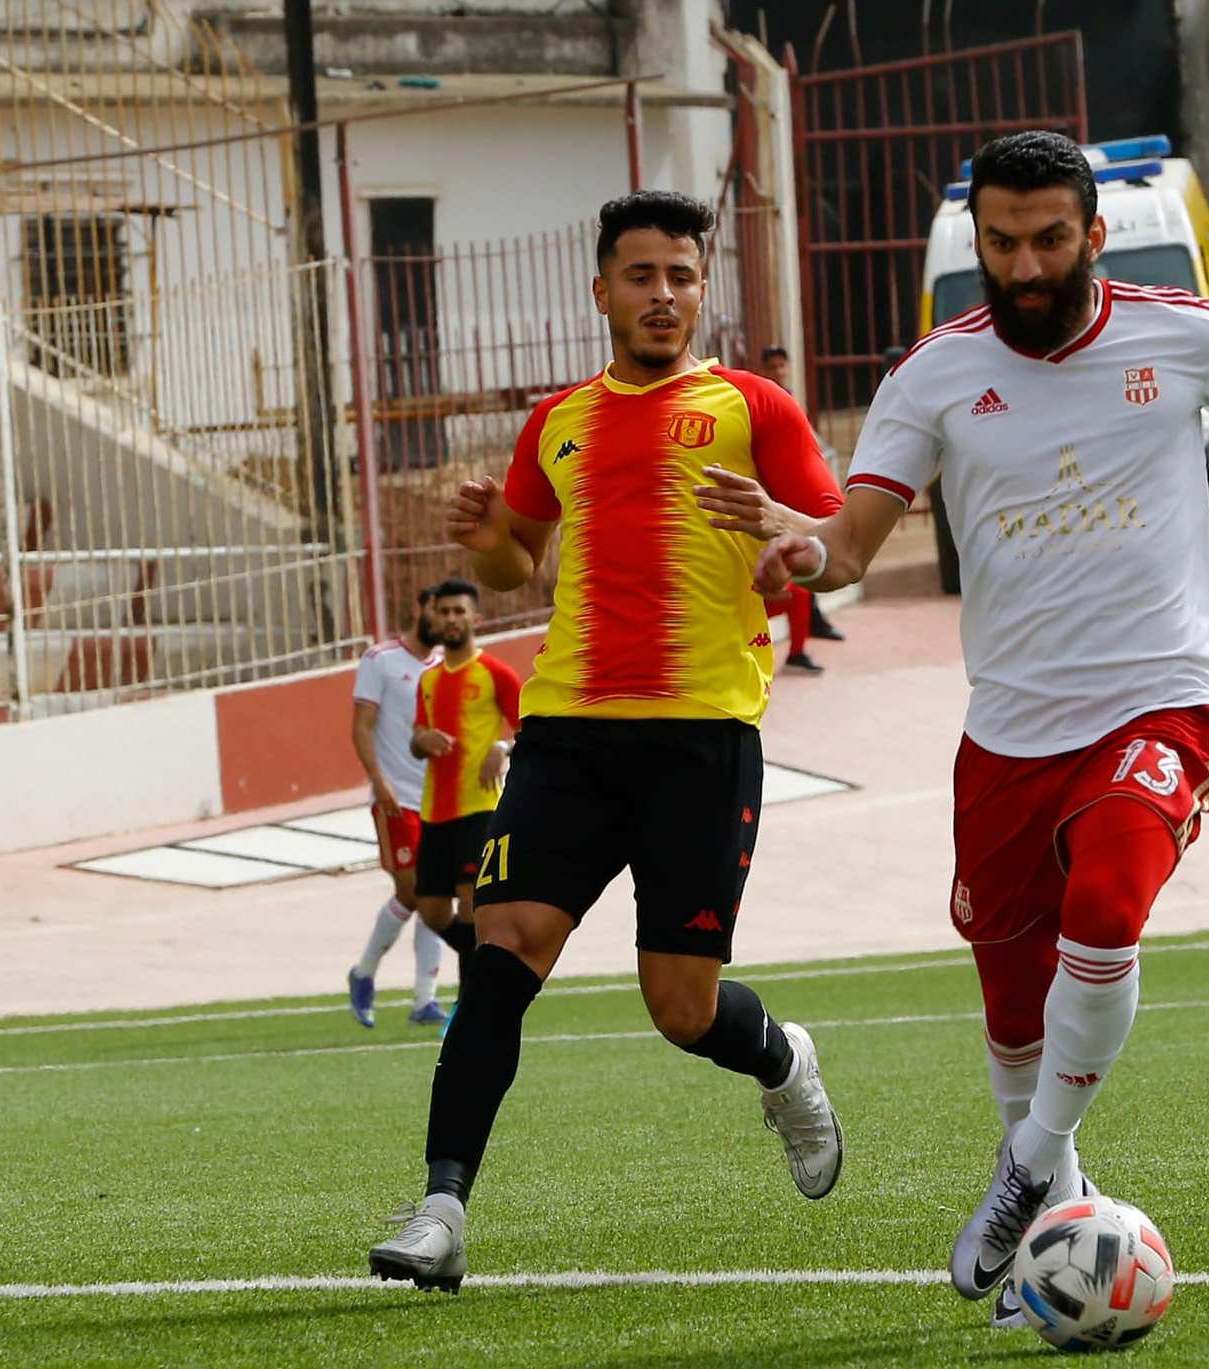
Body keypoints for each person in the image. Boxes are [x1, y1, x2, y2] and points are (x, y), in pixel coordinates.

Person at [744, 131, 1209, 1327]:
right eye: (1002, 242)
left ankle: (1027, 1163)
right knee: (1010, 1000)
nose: (1026, 263)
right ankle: (1055, 1198)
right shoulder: (934, 373)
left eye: (1050, 238)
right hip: (1007, 726)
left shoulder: (1184, 332)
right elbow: (854, 537)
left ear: (1093, 234)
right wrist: (804, 552)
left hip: (1161, 695)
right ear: (978, 243)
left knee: (1105, 909)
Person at [366, 190, 847, 1292]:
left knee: (681, 1007)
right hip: (568, 729)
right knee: (505, 947)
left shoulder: (753, 409)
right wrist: (490, 540)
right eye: (642, 276)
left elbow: (842, 540)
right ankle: (441, 1205)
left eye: (681, 275)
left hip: (700, 737)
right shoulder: (558, 421)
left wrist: (792, 539)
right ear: (602, 292)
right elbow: (512, 565)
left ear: (700, 288)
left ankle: (782, 1058)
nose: (664, 295)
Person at [408, 578, 521, 1000]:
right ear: (433, 617)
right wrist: (423, 741)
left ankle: (469, 1000)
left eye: (459, 611)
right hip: (435, 810)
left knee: (470, 906)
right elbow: (416, 737)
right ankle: (497, 965)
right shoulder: (428, 680)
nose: (451, 619)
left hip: (480, 807)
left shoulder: (496, 673)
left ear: (476, 618)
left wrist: (501, 746)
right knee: (433, 910)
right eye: (444, 612)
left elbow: (530, 728)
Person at [347, 587, 449, 1028]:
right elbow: (361, 727)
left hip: (441, 801)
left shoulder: (450, 666)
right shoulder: (381, 660)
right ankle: (364, 972)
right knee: (414, 892)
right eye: (437, 609)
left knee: (435, 895)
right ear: (418, 607)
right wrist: (378, 780)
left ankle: (424, 1001)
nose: (443, 619)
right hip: (397, 799)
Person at [759, 342, 846, 648]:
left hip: (792, 501)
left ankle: (811, 627)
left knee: (804, 567)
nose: (778, 371)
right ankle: (805, 632)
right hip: (770, 505)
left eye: (782, 366)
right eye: (772, 367)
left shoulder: (789, 402)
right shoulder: (758, 403)